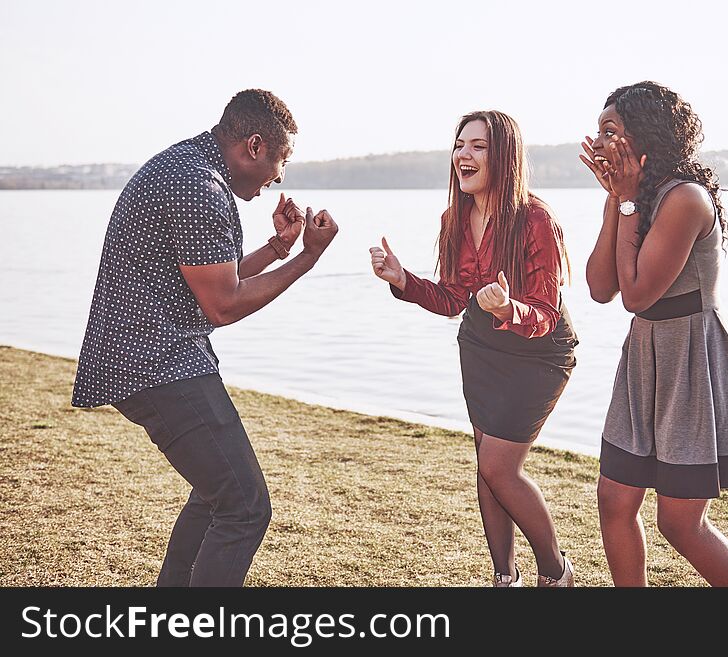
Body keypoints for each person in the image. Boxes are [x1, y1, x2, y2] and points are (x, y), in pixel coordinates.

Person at [72, 89, 339, 586]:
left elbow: (212, 277)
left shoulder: (189, 169)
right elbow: (223, 305)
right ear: (255, 146)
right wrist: (309, 256)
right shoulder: (199, 188)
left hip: (146, 358)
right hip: (158, 363)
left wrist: (278, 247)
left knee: (217, 493)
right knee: (244, 507)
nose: (280, 177)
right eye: (281, 161)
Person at [370, 110, 577, 587]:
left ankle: (556, 573)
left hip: (538, 353)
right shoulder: (455, 218)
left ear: (504, 156)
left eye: (478, 146)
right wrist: (402, 279)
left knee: (499, 467)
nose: (464, 154)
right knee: (486, 464)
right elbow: (450, 299)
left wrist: (509, 310)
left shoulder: (537, 220)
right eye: (460, 145)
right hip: (481, 349)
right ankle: (505, 580)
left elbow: (545, 311)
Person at [581, 81, 728, 586]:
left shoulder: (686, 198)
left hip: (692, 358)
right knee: (614, 500)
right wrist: (619, 201)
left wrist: (624, 201)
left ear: (645, 135)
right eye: (597, 132)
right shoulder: (632, 195)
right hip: (645, 355)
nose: (598, 143)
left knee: (680, 523)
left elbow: (637, 294)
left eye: (610, 131)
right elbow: (600, 288)